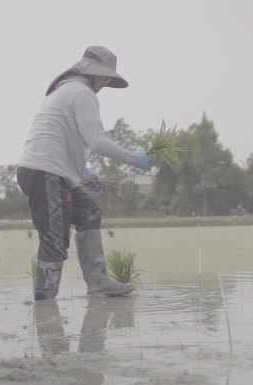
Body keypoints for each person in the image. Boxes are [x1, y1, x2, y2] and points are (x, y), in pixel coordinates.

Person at [16, 46, 151, 301]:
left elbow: (64, 140)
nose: (106, 84)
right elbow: (96, 140)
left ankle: (98, 282)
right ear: (93, 73)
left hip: (47, 171)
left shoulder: (65, 90)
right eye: (106, 78)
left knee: (88, 212)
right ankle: (44, 301)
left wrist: (85, 173)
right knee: (55, 241)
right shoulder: (82, 92)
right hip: (45, 173)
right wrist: (133, 158)